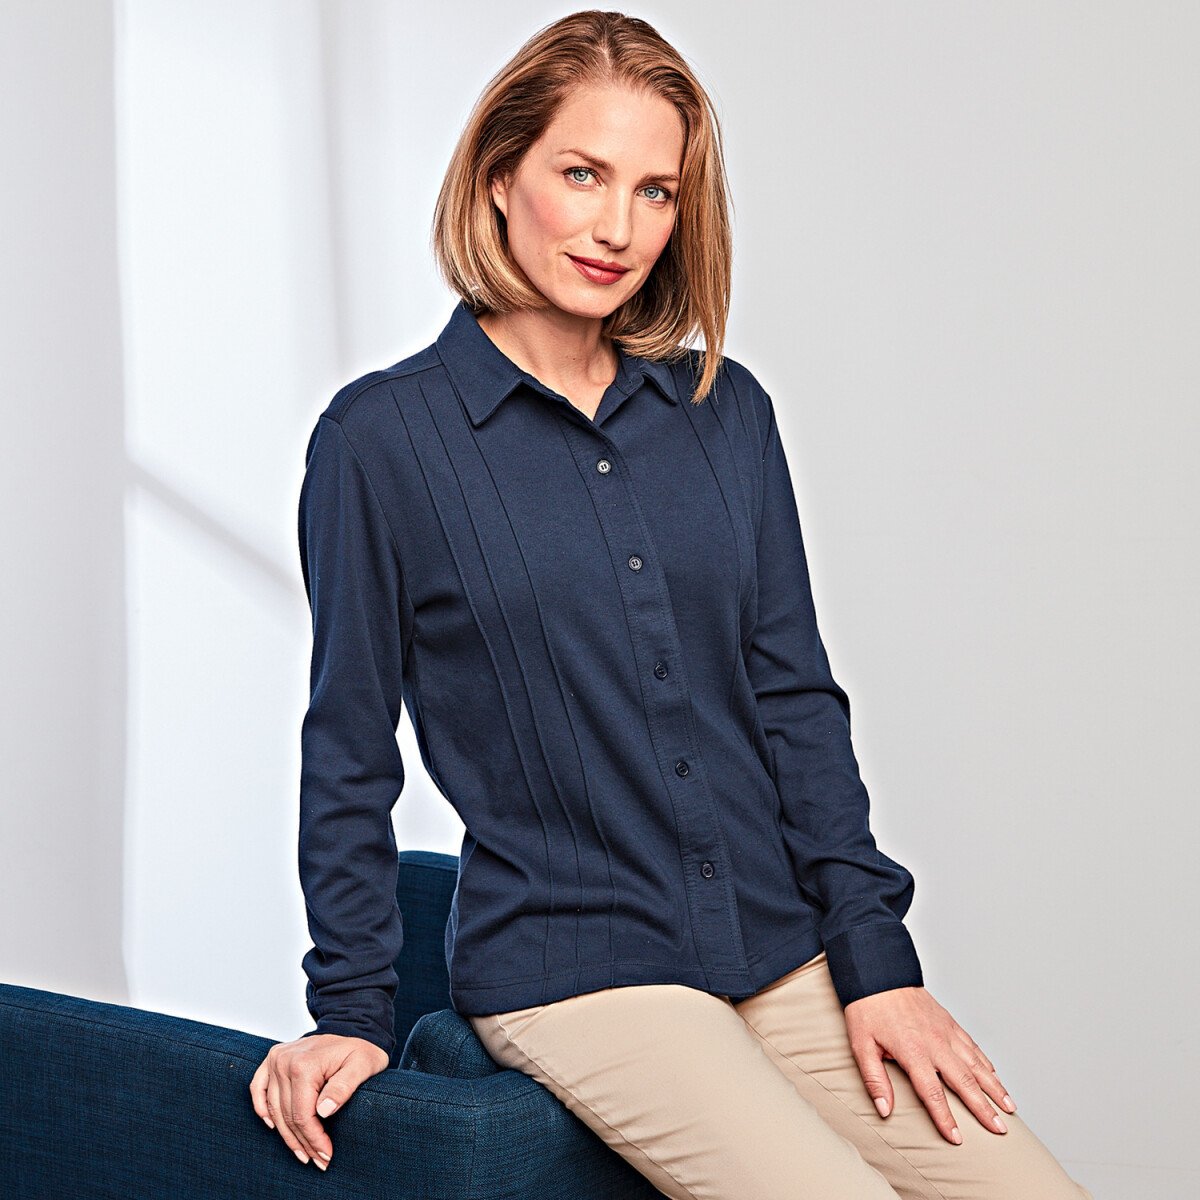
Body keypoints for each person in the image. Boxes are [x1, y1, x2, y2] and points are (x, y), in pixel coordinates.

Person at [250, 11, 1092, 1199]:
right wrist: (349, 1011)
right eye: (582, 175)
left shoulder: (725, 413)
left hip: (778, 946)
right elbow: (347, 748)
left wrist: (878, 964)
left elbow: (795, 703)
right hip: (580, 976)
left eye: (656, 192)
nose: (618, 227)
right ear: (498, 177)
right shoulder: (383, 442)